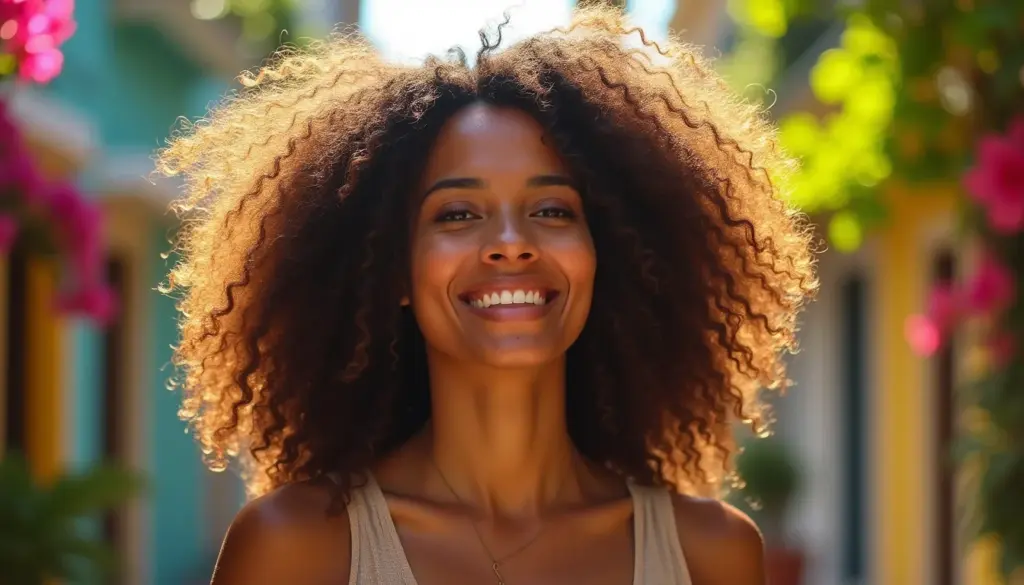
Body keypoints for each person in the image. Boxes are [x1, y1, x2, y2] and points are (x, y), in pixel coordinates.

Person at [156, 6, 817, 585]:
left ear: (605, 254)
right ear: (392, 271)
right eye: (457, 214)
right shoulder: (296, 547)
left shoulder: (713, 553)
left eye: (553, 210)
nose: (510, 241)